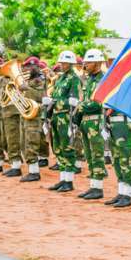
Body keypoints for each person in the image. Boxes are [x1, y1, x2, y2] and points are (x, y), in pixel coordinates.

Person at [46, 50, 82, 192]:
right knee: (58, 148)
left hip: (67, 117)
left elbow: (75, 101)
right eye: (61, 62)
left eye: (65, 63)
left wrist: (56, 102)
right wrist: (50, 101)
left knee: (68, 149)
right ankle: (63, 179)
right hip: (56, 116)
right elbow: (56, 94)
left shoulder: (74, 79)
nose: (62, 64)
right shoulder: (60, 78)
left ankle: (69, 181)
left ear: (71, 64)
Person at [75, 49, 108, 199]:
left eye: (89, 62)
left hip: (96, 121)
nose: (85, 65)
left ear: (98, 63)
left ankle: (98, 188)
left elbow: (100, 103)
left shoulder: (103, 80)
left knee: (97, 155)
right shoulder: (89, 80)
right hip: (86, 122)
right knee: (88, 155)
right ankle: (93, 186)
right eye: (85, 62)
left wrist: (81, 107)